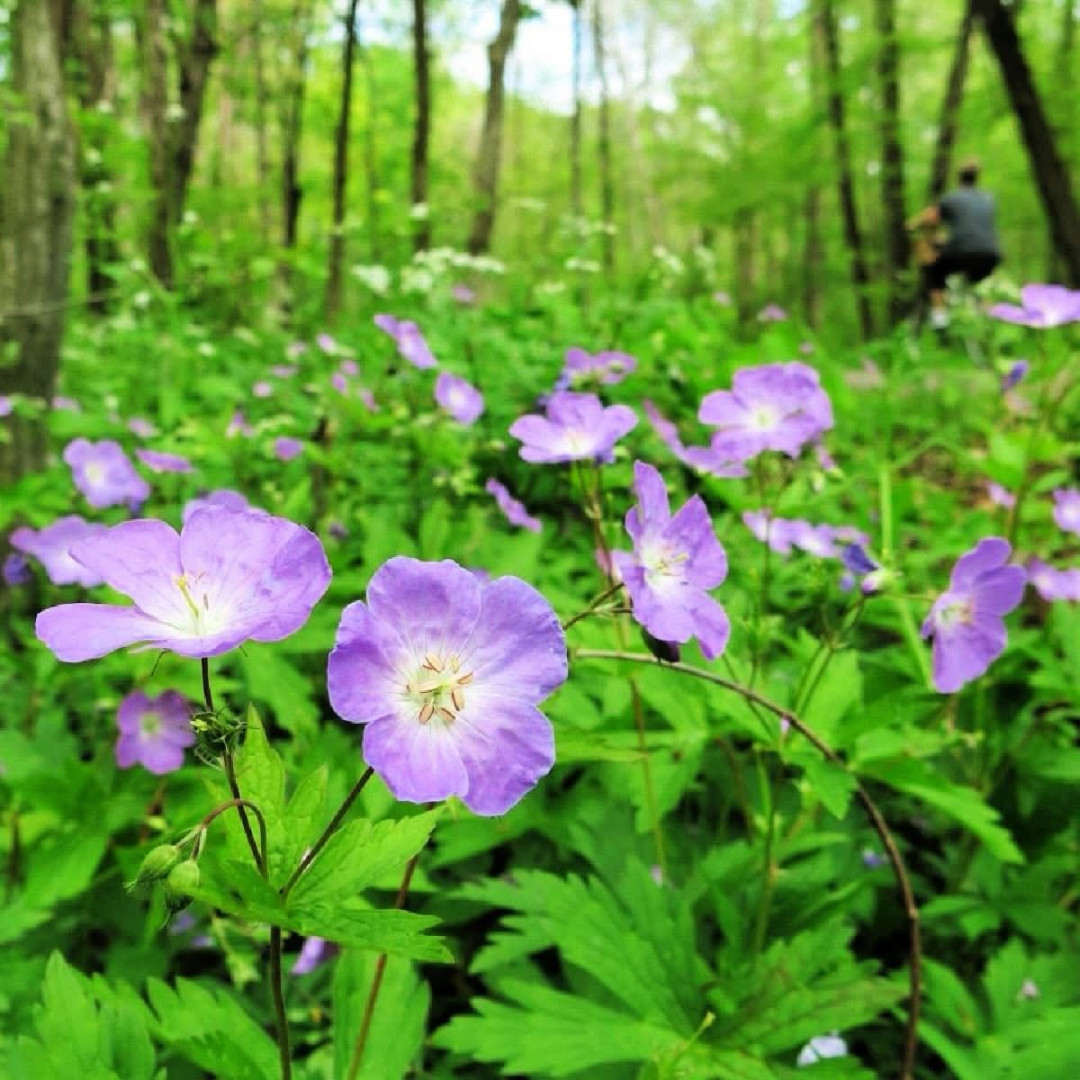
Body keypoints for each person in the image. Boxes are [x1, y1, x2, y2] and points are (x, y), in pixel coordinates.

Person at [908, 157, 1002, 329]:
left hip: (962, 252)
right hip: (990, 253)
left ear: (958, 178)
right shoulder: (988, 198)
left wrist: (911, 225)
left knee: (934, 269)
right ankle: (990, 323)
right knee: (981, 285)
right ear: (976, 178)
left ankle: (940, 318)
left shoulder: (951, 198)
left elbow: (930, 218)